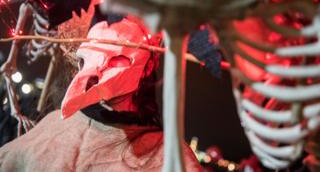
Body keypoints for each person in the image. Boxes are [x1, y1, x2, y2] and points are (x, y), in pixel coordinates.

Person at [0, 15, 202, 171]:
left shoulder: (168, 156)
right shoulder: (53, 125)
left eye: (117, 60)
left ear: (147, 67)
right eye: (85, 60)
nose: (89, 76)